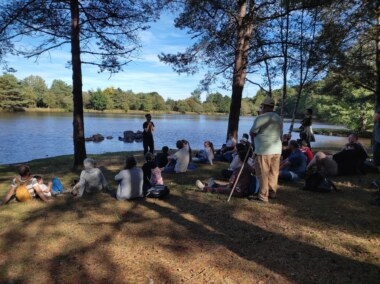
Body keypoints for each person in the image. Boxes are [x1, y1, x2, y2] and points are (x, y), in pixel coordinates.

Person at [250, 96, 282, 203]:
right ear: (272, 107)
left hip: (264, 149)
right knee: (274, 172)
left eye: (262, 106)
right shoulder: (278, 118)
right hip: (277, 149)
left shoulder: (261, 118)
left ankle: (263, 197)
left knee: (263, 173)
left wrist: (254, 145)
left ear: (264, 106)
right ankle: (272, 193)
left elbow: (253, 132)